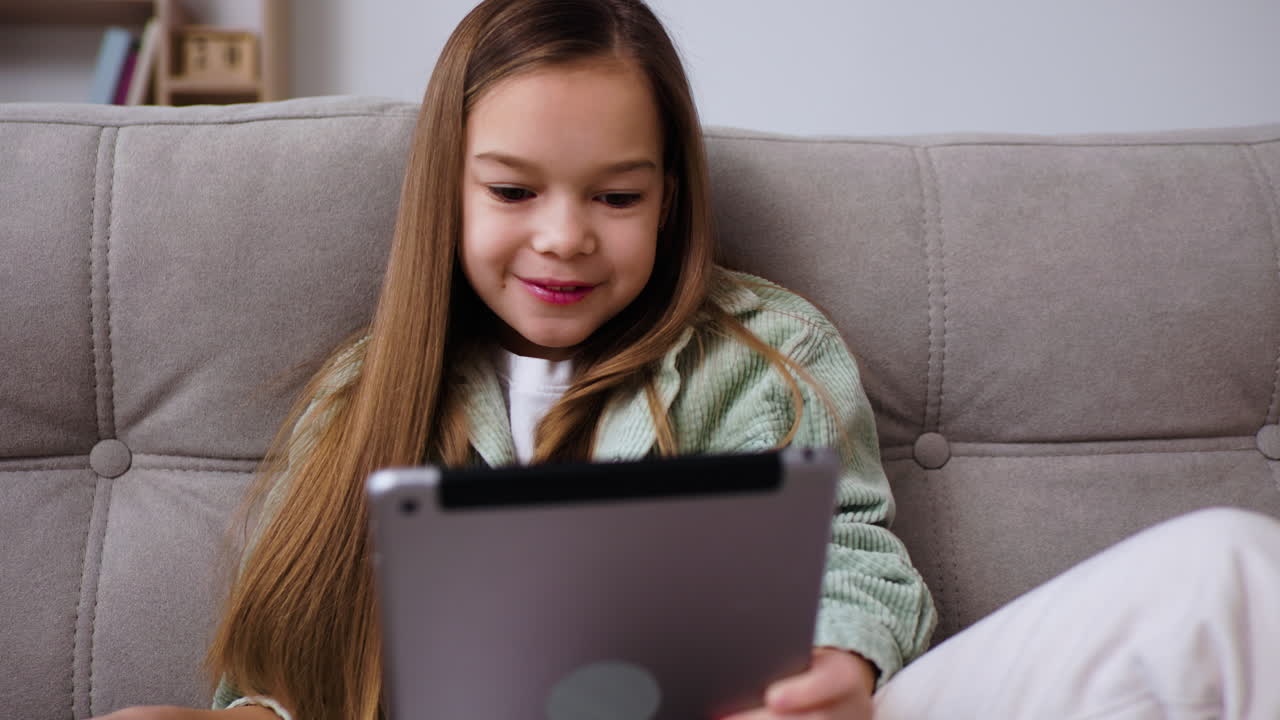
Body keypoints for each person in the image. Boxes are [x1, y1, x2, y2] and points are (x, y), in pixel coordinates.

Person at [97, 1, 1280, 719]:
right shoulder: (362, 401)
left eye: (616, 195)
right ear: (442, 194)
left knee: (1224, 571)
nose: (564, 235)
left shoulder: (764, 350)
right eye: (513, 191)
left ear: (670, 200)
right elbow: (286, 673)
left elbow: (858, 562)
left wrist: (834, 671)